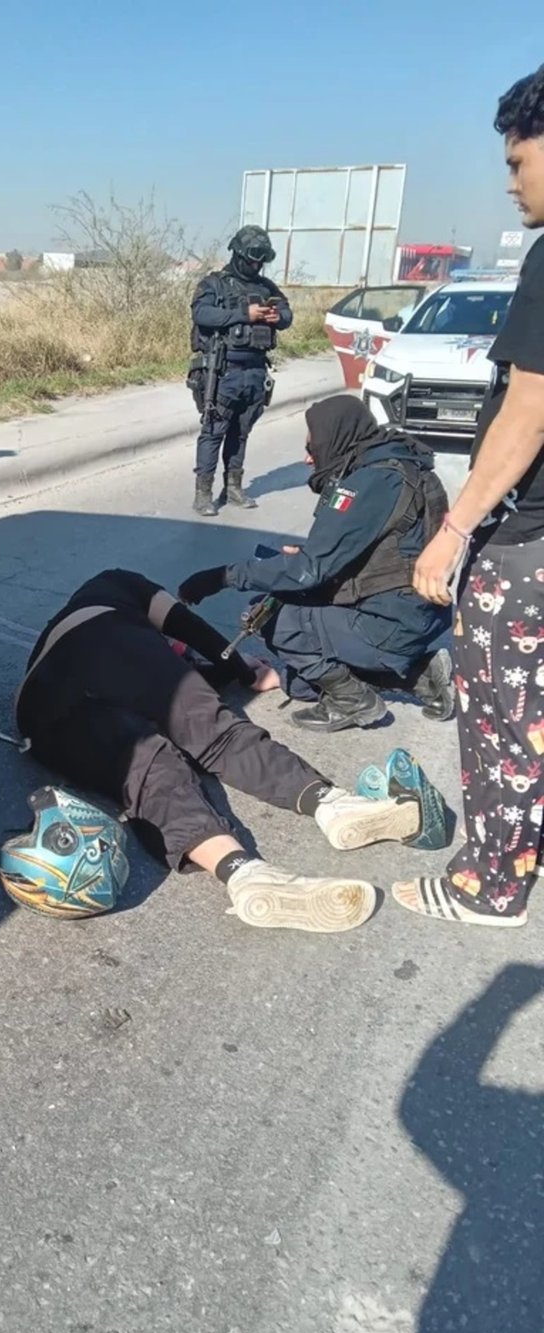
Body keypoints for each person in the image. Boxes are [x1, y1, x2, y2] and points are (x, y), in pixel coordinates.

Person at [14, 568, 430, 933]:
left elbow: (163, 673)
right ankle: (333, 805)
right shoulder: (118, 583)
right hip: (105, 639)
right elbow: (186, 626)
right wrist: (244, 670)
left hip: (37, 714)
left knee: (145, 769)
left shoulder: (71, 623)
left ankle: (243, 875)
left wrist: (204, 672)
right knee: (218, 735)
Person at [394, 64, 544, 927]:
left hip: (528, 543)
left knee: (501, 714)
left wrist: (454, 529)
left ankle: (493, 881)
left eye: (519, 159)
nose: (510, 178)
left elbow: (528, 408)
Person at [179, 395, 454, 732]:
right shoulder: (398, 466)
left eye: (313, 446)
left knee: (270, 617)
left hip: (393, 622)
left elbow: (308, 572)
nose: (308, 458)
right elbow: (374, 550)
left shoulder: (370, 482)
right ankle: (421, 674)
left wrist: (223, 577)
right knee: (301, 679)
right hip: (416, 613)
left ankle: (353, 702)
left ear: (337, 437)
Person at [187, 226, 292, 517]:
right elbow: (201, 313)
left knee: (241, 433)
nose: (256, 265)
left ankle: (233, 487)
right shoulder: (215, 284)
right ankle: (203, 494)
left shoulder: (266, 287)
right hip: (223, 371)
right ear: (237, 254)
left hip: (255, 371)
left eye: (261, 260)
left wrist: (274, 315)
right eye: (252, 259)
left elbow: (287, 316)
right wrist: (245, 314)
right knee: (213, 431)